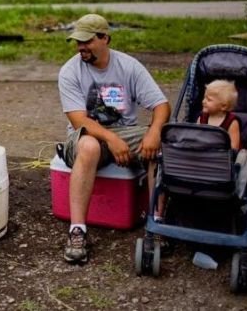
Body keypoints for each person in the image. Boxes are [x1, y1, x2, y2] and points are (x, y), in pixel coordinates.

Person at [57, 13, 170, 263]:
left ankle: (158, 223)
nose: (81, 47)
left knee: (161, 145)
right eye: (78, 42)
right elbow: (79, 121)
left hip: (126, 132)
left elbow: (161, 105)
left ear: (105, 38)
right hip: (87, 135)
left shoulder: (128, 66)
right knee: (88, 146)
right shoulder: (69, 71)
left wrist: (154, 132)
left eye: (87, 41)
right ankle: (77, 231)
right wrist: (111, 139)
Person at [196, 79, 241, 151]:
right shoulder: (201, 118)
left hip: (222, 157)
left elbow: (234, 148)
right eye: (204, 97)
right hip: (203, 155)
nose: (203, 101)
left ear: (223, 106)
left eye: (209, 100)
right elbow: (195, 137)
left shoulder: (232, 122)